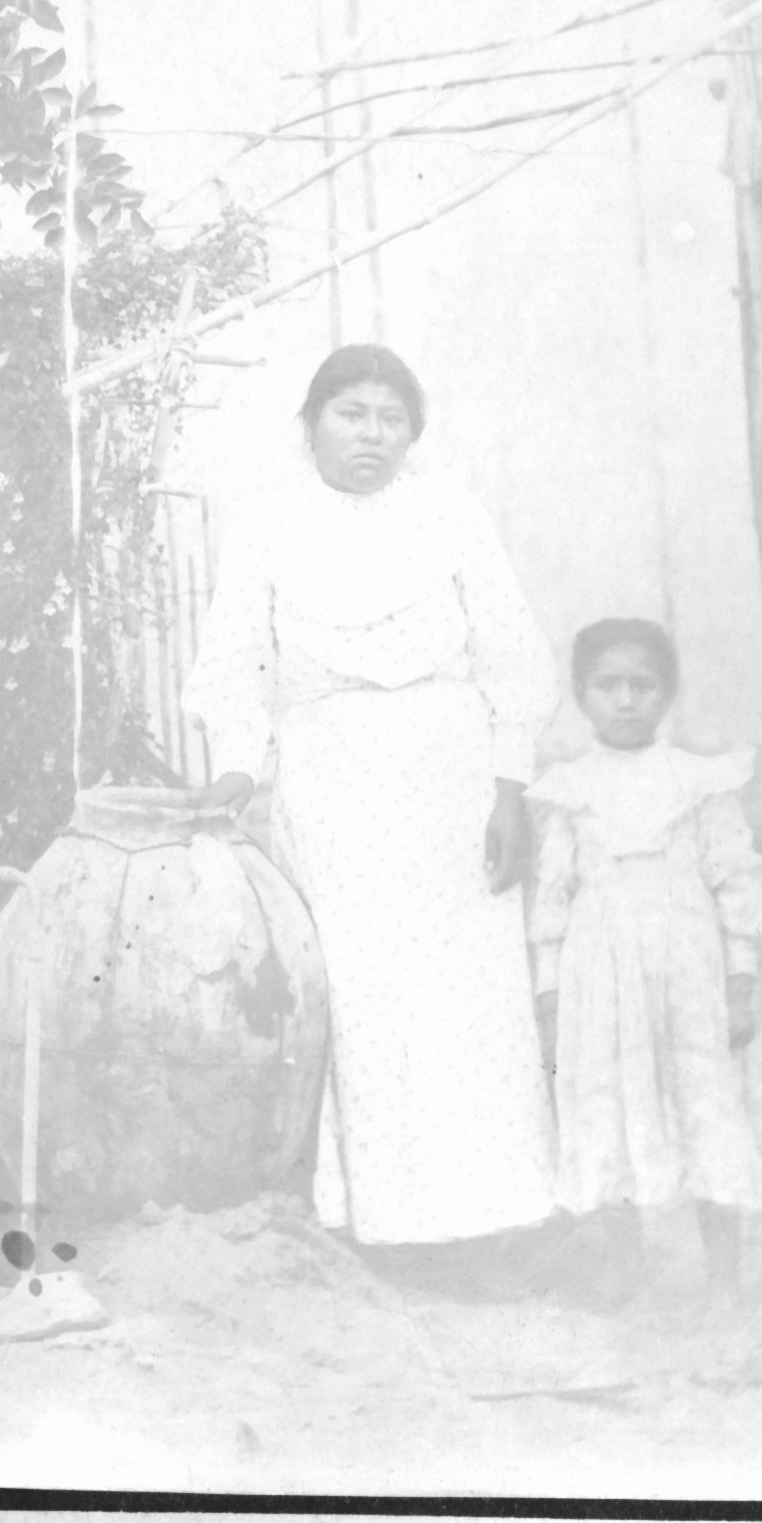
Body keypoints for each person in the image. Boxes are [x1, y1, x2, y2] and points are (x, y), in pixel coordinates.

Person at [184, 344, 561, 1290]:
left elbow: (511, 650)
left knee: (468, 997)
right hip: (332, 783)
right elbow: (237, 663)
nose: (370, 433)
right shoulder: (267, 526)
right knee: (363, 998)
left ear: (412, 433)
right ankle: (382, 1228)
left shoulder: (448, 513)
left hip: (449, 777)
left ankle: (497, 1222)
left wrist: (508, 786)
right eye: (350, 413)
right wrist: (237, 768)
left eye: (390, 418)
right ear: (309, 423)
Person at [529, 618, 762, 1300]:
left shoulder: (698, 781)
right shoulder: (568, 789)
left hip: (690, 977)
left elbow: (737, 883)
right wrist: (549, 995)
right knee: (607, 1115)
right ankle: (632, 1277)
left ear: (667, 693)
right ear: (581, 695)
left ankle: (723, 1282)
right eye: (607, 685)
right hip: (602, 982)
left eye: (641, 685)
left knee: (707, 1107)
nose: (625, 700)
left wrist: (739, 986)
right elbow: (552, 905)